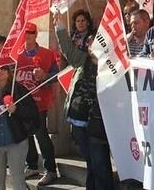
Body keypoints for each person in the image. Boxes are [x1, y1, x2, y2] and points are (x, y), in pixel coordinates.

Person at [54, 14, 115, 190]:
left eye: (95, 42)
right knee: (90, 161)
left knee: (100, 161)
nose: (91, 45)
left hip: (98, 121)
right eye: (89, 43)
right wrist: (60, 28)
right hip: (78, 119)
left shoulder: (110, 65)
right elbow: (68, 49)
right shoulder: (82, 60)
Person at [0, 62, 39, 190]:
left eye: (3, 68)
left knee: (17, 179)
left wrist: (16, 110)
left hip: (16, 141)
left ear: (8, 72)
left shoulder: (19, 89)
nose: (0, 71)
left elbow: (33, 112)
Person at [16, 22, 59, 186]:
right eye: (25, 32)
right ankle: (32, 165)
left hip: (39, 103)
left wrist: (45, 75)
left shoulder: (47, 54)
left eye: (31, 32)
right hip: (22, 103)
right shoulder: (17, 55)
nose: (28, 35)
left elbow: (57, 76)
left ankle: (51, 170)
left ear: (36, 34)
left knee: (41, 135)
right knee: (26, 135)